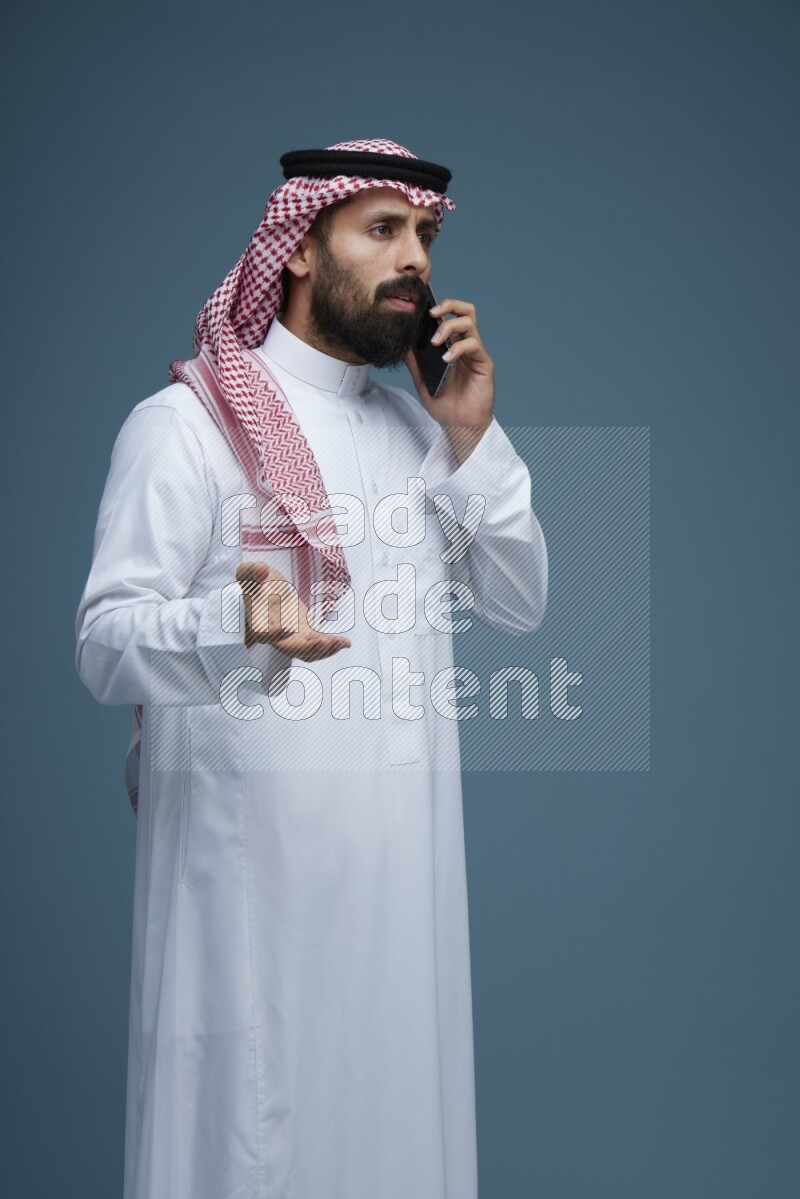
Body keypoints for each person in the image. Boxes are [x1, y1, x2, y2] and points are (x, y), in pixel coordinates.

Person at [75, 138, 548, 1199]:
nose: (414, 258)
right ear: (295, 247)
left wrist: (474, 439)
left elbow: (520, 602)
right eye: (382, 229)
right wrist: (231, 623)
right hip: (250, 907)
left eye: (424, 234)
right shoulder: (187, 427)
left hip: (407, 906)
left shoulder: (422, 435)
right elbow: (105, 641)